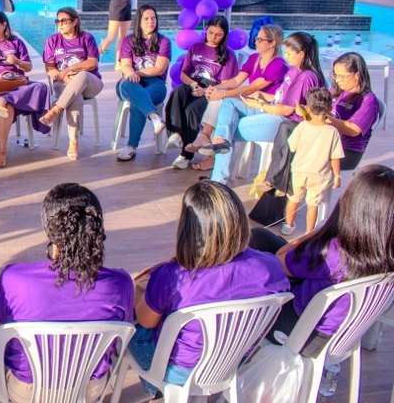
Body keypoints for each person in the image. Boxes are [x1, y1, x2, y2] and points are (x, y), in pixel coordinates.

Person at [131, 181, 289, 396]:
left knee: (131, 329)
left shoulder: (172, 276)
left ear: (188, 229)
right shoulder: (270, 266)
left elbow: (146, 321)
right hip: (235, 360)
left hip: (178, 373)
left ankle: (155, 388)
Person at [0, 183, 133, 403]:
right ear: (96, 227)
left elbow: (1, 322)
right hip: (89, 388)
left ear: (48, 229)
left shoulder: (13, 278)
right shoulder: (120, 283)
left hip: (25, 390)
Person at [250, 165, 394, 356]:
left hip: (300, 330)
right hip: (341, 334)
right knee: (261, 237)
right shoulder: (383, 252)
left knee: (257, 265)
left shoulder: (331, 250)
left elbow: (280, 261)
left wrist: (323, 229)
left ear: (354, 206)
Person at [202, 31, 325, 184]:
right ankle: (221, 141)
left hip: (284, 122)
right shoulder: (294, 70)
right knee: (228, 103)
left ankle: (218, 177)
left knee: (229, 126)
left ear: (301, 54)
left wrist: (260, 105)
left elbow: (287, 110)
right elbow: (281, 98)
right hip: (272, 109)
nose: (285, 56)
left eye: (288, 53)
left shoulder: (306, 76)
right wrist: (262, 96)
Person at [260, 51, 380, 195]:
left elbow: (353, 129)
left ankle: (284, 191)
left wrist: (328, 119)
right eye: (335, 75)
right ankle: (278, 183)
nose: (338, 80)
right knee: (287, 128)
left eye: (342, 76)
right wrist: (308, 112)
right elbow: (319, 108)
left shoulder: (367, 100)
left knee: (296, 154)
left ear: (357, 75)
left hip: (343, 151)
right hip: (321, 138)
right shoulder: (337, 91)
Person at [183, 25, 288, 171]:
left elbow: (253, 88)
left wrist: (223, 94)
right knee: (219, 102)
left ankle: (209, 147)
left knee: (223, 102)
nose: (255, 42)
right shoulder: (254, 58)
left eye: (260, 39)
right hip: (250, 102)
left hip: (265, 106)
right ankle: (207, 139)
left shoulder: (278, 64)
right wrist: (214, 89)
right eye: (256, 38)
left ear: (272, 43)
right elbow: (235, 81)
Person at [0, 12, 51, 169]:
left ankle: (6, 99)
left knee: (41, 87)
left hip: (17, 83)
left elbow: (28, 67)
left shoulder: (16, 43)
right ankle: (1, 152)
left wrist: (16, 61)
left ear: (4, 25)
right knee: (7, 108)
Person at [164, 15, 238, 170]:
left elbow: (226, 84)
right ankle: (175, 133)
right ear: (206, 30)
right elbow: (184, 73)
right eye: (211, 33)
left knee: (191, 110)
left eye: (218, 35)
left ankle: (186, 155)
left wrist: (205, 90)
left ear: (225, 35)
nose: (214, 37)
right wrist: (193, 85)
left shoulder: (228, 55)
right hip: (194, 83)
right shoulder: (196, 48)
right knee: (178, 92)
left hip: (213, 90)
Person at [38, 7, 103, 160]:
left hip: (91, 82)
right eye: (57, 21)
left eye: (64, 21)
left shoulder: (86, 38)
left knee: (82, 76)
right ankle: (73, 142)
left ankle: (56, 110)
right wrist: (65, 78)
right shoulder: (53, 40)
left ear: (75, 21)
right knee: (76, 97)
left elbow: (93, 63)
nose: (59, 24)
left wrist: (70, 69)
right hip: (62, 84)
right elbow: (50, 69)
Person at [281, 88, 344, 235]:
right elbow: (335, 156)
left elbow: (292, 146)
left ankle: (288, 226)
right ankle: (309, 233)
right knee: (313, 204)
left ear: (308, 108)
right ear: (330, 108)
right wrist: (338, 176)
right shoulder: (332, 131)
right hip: (320, 174)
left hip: (299, 171)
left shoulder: (302, 126)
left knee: (294, 199)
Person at [114, 4, 171, 161]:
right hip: (130, 84)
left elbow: (159, 69)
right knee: (126, 84)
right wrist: (129, 73)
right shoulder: (128, 41)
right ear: (139, 21)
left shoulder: (164, 41)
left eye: (153, 18)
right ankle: (154, 117)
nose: (150, 21)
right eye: (146, 18)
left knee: (137, 99)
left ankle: (131, 147)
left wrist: (134, 73)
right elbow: (125, 65)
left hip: (156, 85)